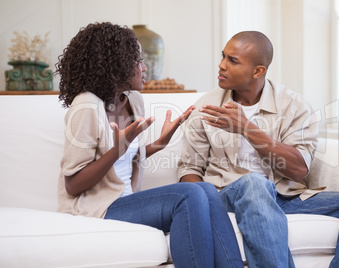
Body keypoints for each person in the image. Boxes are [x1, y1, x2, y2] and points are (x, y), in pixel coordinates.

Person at [178, 30, 339, 268]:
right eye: (223, 56)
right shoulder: (206, 107)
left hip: (286, 197)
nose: (221, 65)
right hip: (227, 196)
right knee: (254, 183)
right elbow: (190, 169)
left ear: (258, 71)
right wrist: (204, 208)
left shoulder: (294, 106)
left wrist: (248, 129)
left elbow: (299, 170)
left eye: (233, 60)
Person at [55, 22, 243, 268]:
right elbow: (73, 184)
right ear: (116, 64)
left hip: (126, 201)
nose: (144, 68)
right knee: (188, 193)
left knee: (206, 190)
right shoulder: (86, 105)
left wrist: (158, 144)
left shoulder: (133, 100)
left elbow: (126, 157)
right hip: (96, 210)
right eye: (138, 60)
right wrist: (117, 149)